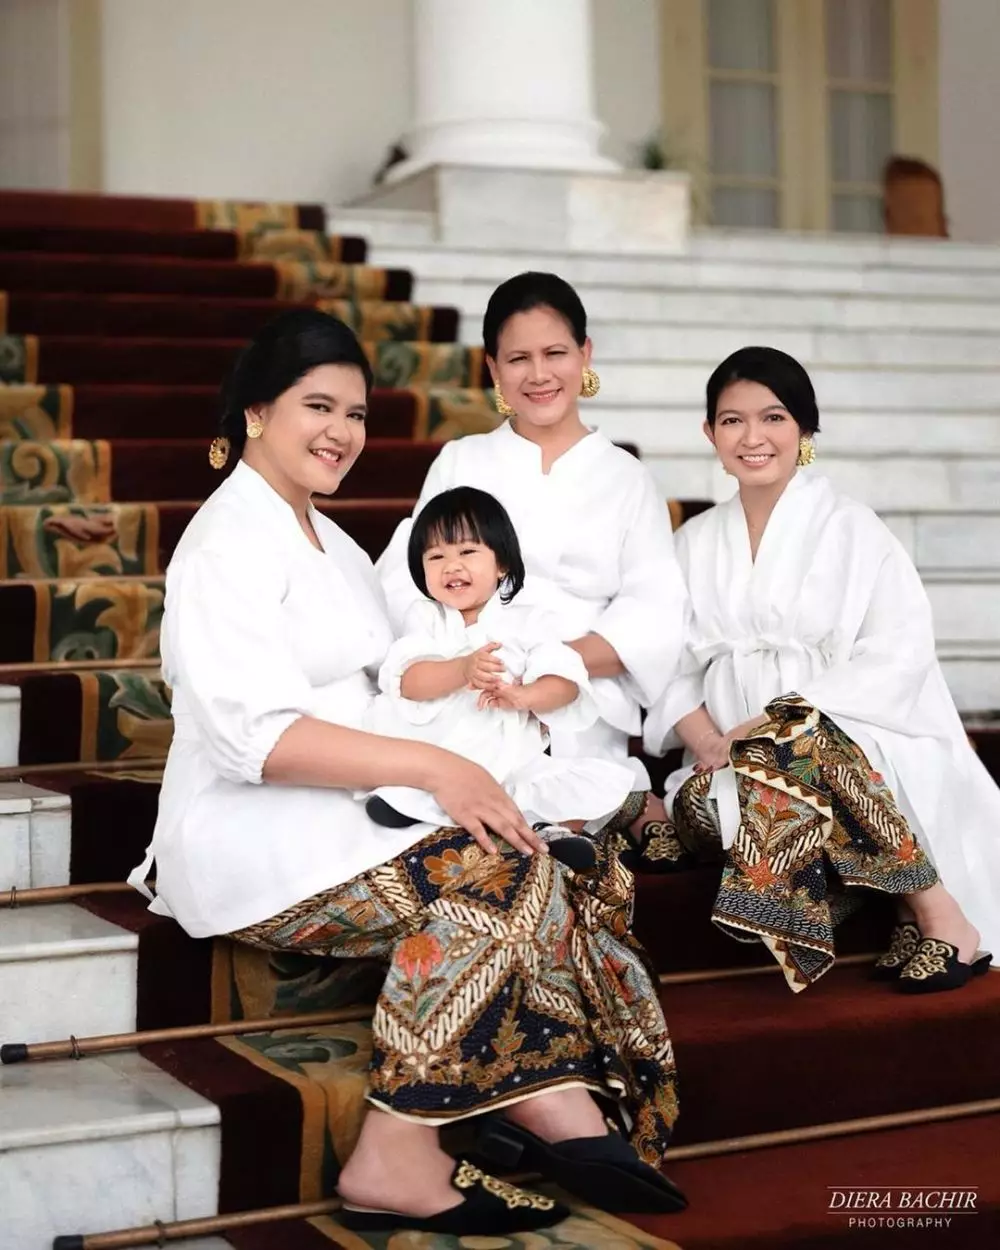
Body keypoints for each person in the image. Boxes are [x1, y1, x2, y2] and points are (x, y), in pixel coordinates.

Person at [127, 309, 685, 1234]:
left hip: (352, 808)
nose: (342, 432)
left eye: (356, 412)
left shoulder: (331, 540)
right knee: (505, 868)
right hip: (248, 830)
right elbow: (250, 741)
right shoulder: (226, 541)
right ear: (258, 412)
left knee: (567, 861)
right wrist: (434, 765)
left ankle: (473, 1107)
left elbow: (413, 661)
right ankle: (471, 1121)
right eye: (319, 406)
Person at [643, 346, 998, 994]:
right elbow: (667, 671)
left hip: (849, 742)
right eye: (732, 421)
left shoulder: (851, 528)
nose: (753, 438)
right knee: (747, 783)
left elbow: (898, 653)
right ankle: (880, 896)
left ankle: (943, 917)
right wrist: (713, 741)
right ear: (709, 433)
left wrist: (774, 721)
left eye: (773, 418)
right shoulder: (692, 542)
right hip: (728, 769)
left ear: (804, 431)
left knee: (800, 742)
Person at [378, 271, 688, 854]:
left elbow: (654, 609)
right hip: (473, 688)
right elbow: (407, 574)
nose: (539, 374)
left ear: (585, 355)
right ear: (493, 368)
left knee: (567, 791)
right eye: (518, 358)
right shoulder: (460, 461)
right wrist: (470, 655)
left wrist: (551, 666)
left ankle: (609, 814)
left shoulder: (626, 477)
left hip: (576, 695)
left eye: (555, 353)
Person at [365, 485, 637, 872]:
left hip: (510, 757)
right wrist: (460, 669)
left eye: (467, 552)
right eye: (436, 556)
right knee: (408, 784)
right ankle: (417, 809)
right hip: (439, 756)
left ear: (502, 564)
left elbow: (565, 681)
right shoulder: (424, 619)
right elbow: (406, 680)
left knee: (538, 789)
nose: (452, 566)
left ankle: (550, 833)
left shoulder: (529, 621)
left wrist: (526, 696)